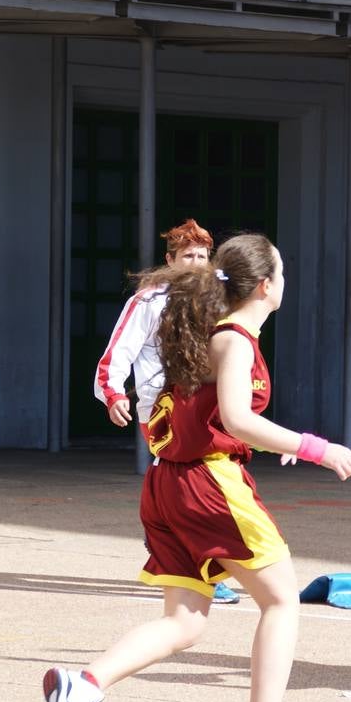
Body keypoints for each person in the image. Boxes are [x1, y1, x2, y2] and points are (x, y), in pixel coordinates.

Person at [44, 233, 351, 702]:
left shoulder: (210, 332)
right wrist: (315, 448)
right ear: (266, 286)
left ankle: (83, 686)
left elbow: (222, 418)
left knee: (186, 623)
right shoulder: (236, 338)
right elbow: (238, 418)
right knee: (282, 600)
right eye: (281, 272)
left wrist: (264, 440)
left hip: (169, 484)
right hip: (209, 486)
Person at [94, 218, 240, 605]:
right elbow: (117, 353)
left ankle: (184, 559)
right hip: (162, 407)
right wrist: (113, 395)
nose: (195, 262)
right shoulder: (148, 301)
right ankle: (197, 565)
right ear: (169, 260)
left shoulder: (218, 298)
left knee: (196, 484)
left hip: (209, 405)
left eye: (202, 255)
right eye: (188, 255)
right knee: (191, 485)